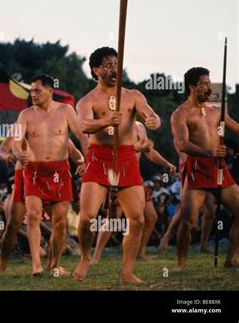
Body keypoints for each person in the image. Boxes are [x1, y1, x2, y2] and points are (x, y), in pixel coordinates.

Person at [73, 47, 161, 283]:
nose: (114, 68)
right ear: (95, 70)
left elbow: (151, 114)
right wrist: (106, 121)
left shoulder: (132, 95)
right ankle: (84, 257)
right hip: (98, 157)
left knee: (138, 218)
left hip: (126, 157)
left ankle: (127, 271)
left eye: (116, 63)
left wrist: (153, 120)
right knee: (87, 218)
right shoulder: (87, 100)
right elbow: (83, 126)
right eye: (107, 64)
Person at [12, 74, 88, 277]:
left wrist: (86, 161)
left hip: (59, 170)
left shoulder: (65, 111)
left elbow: (82, 136)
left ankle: (54, 264)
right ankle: (36, 264)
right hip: (34, 170)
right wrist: (20, 154)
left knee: (60, 222)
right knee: (34, 215)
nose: (33, 94)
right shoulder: (25, 114)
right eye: (31, 91)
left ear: (50, 91)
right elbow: (16, 141)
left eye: (37, 90)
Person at [171, 66, 239, 271]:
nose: (207, 88)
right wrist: (210, 153)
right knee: (188, 220)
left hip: (219, 168)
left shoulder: (216, 111)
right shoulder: (180, 114)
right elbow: (182, 144)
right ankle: (181, 264)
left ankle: (232, 258)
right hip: (197, 168)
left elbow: (235, 127)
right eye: (203, 84)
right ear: (191, 86)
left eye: (209, 84)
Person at [90, 121, 176, 264]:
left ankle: (140, 253)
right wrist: (141, 147)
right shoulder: (115, 125)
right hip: (118, 174)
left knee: (151, 216)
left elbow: (149, 151)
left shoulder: (139, 126)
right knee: (113, 217)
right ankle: (96, 255)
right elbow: (114, 149)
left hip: (135, 176)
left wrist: (165, 163)